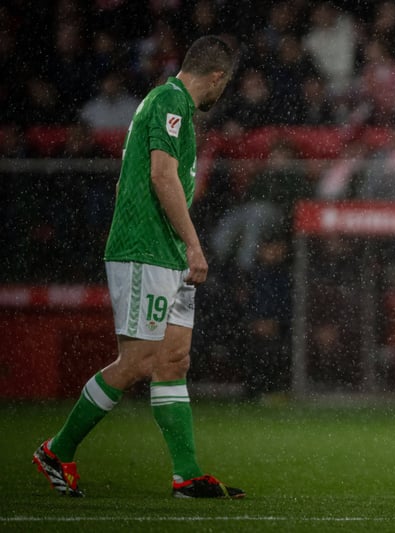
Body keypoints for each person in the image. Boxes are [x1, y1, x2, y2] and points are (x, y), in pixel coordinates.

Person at [32, 36, 244, 499]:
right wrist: (194, 245)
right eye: (224, 84)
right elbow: (161, 175)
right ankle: (56, 450)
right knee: (138, 361)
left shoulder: (170, 106)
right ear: (217, 77)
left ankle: (186, 475)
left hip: (166, 251)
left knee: (173, 360)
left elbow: (133, 181)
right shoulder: (169, 101)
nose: (221, 92)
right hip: (146, 251)